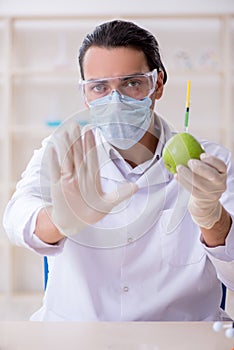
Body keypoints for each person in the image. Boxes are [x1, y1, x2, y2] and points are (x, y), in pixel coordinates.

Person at [3, 19, 234, 322]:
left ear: (157, 84)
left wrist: (213, 219)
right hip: (77, 336)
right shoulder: (63, 151)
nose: (116, 100)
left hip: (182, 336)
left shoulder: (211, 164)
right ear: (85, 95)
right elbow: (16, 219)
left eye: (131, 83)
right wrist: (60, 217)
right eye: (100, 87)